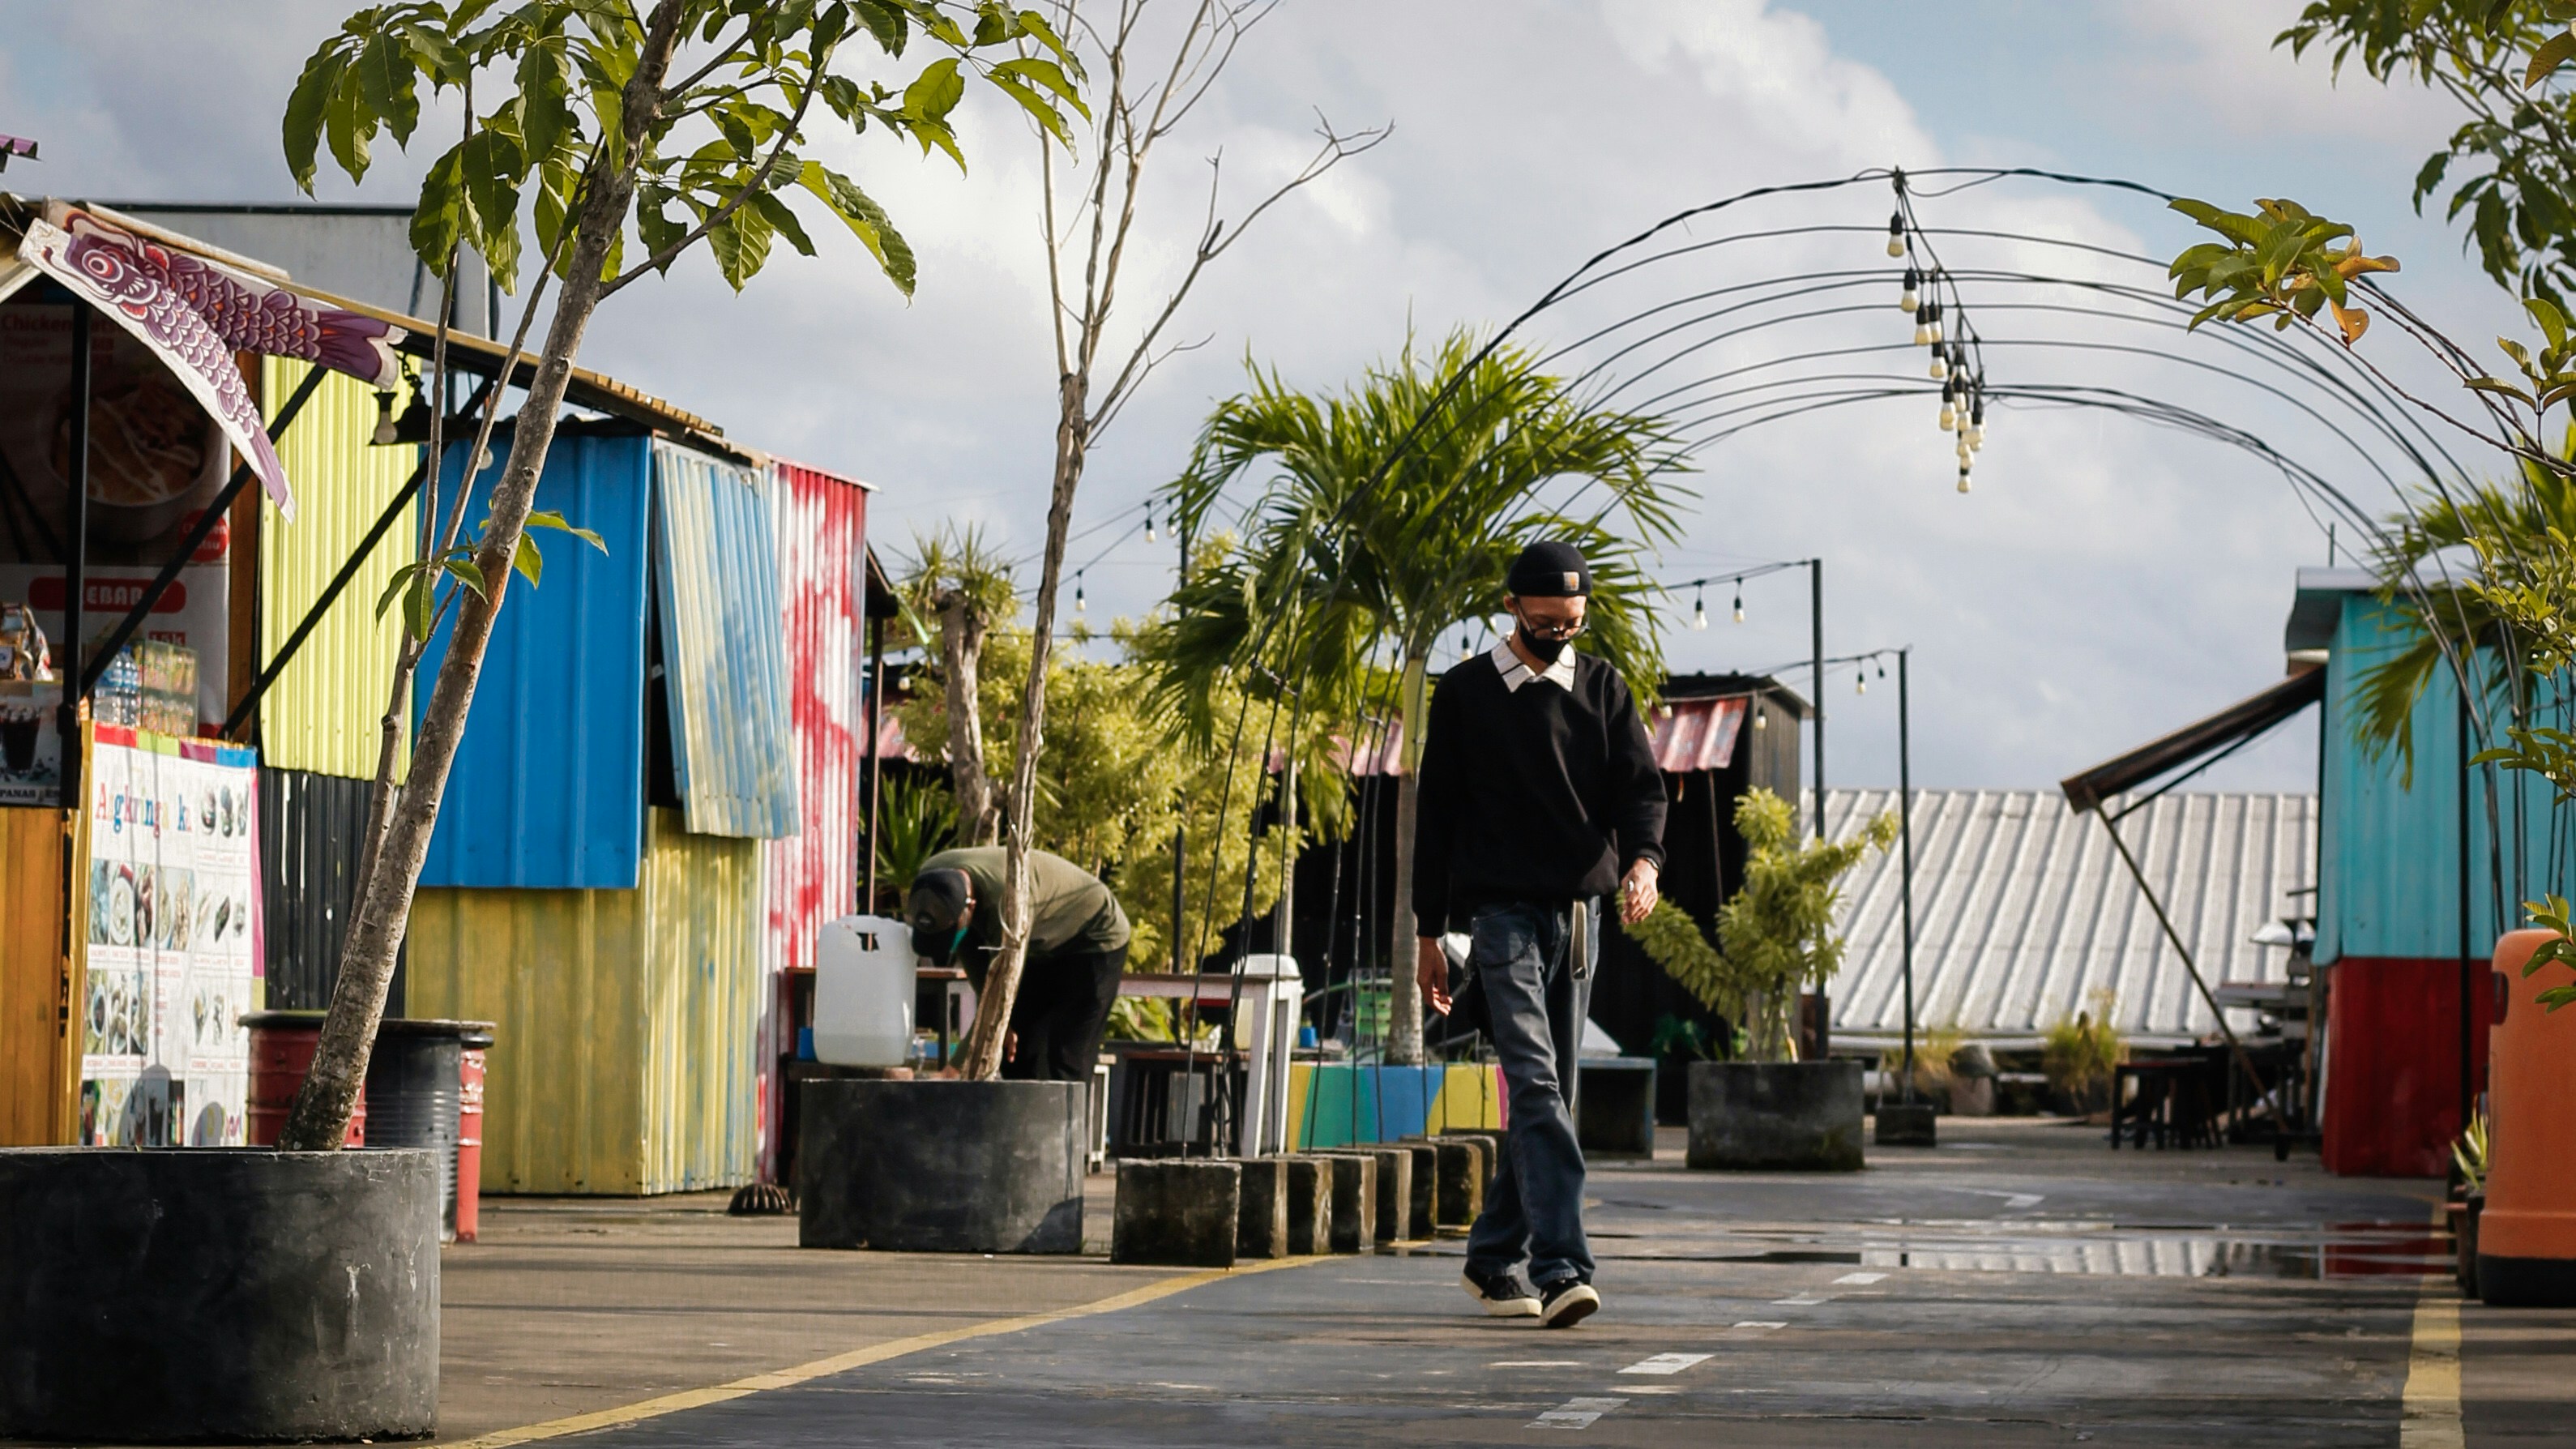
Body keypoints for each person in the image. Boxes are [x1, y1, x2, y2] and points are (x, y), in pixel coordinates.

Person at [1413, 540, 1667, 1329]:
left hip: (1577, 921)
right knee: (1534, 1085)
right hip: (1499, 920)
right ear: (1512, 608)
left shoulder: (1601, 688)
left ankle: (1492, 1260)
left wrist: (1644, 865)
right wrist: (1428, 934)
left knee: (1550, 1092)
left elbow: (1640, 791)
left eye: (1574, 620)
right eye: (1548, 619)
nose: (1562, 631)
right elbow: (1434, 821)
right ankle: (1560, 1267)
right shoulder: (1462, 694)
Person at [907, 845, 1132, 1081]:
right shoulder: (930, 882)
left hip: (1093, 936)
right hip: (1039, 940)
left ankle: (1067, 1118)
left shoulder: (1007, 905)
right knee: (1016, 1049)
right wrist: (1003, 1023)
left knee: (1066, 1056)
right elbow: (971, 952)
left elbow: (997, 996)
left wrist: (952, 1071)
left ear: (970, 906)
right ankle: (1026, 1118)